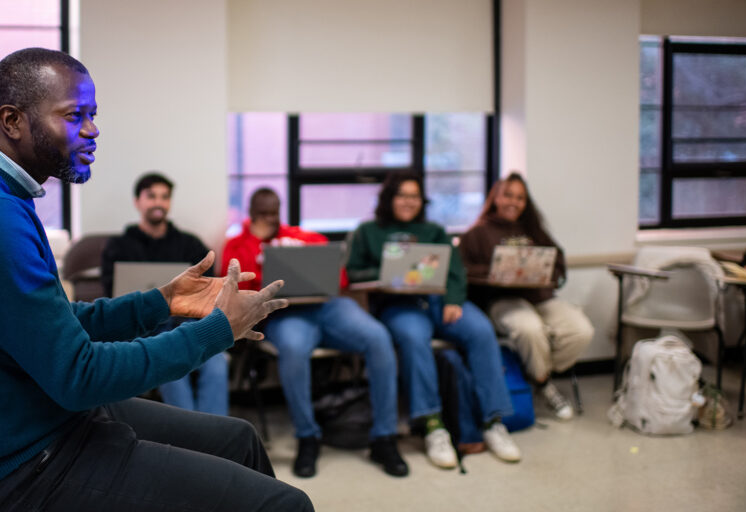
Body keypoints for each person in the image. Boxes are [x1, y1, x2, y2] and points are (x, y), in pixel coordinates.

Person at [0, 48, 312, 511]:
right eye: (75, 116)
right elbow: (81, 376)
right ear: (12, 120)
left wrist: (162, 301)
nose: (92, 131)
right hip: (17, 468)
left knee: (241, 439)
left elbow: (54, 321)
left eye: (92, 115)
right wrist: (218, 330)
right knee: (284, 505)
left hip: (42, 417)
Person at [222, 188, 407, 478]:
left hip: (328, 307)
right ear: (252, 213)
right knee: (294, 350)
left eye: (274, 213)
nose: (270, 219)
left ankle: (384, 437)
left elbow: (339, 275)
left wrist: (304, 264)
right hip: (283, 313)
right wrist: (262, 253)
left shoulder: (301, 237)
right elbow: (236, 292)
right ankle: (308, 437)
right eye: (263, 214)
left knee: (378, 337)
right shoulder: (238, 245)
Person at [346, 171, 521, 468]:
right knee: (414, 338)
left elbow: (455, 272)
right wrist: (389, 272)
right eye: (402, 195)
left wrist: (453, 300)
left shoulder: (434, 231)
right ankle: (433, 425)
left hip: (440, 302)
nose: (408, 202)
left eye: (414, 196)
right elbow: (352, 273)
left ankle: (494, 421)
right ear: (389, 199)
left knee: (480, 330)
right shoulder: (368, 232)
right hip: (398, 305)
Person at [459, 172, 594, 421]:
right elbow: (460, 270)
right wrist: (496, 271)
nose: (513, 202)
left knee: (581, 330)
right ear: (496, 197)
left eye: (520, 198)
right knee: (530, 330)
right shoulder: (477, 233)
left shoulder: (533, 229)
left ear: (525, 202)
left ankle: (537, 374)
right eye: (508, 195)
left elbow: (558, 261)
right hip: (502, 300)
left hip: (540, 297)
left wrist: (545, 272)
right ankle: (544, 384)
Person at [100, 171, 228, 415]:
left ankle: (213, 432)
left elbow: (211, 288)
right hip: (146, 328)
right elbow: (112, 293)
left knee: (217, 364)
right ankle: (192, 438)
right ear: (138, 202)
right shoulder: (119, 246)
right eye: (152, 196)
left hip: (188, 323)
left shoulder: (190, 244)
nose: (159, 202)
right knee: (171, 361)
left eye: (165, 197)